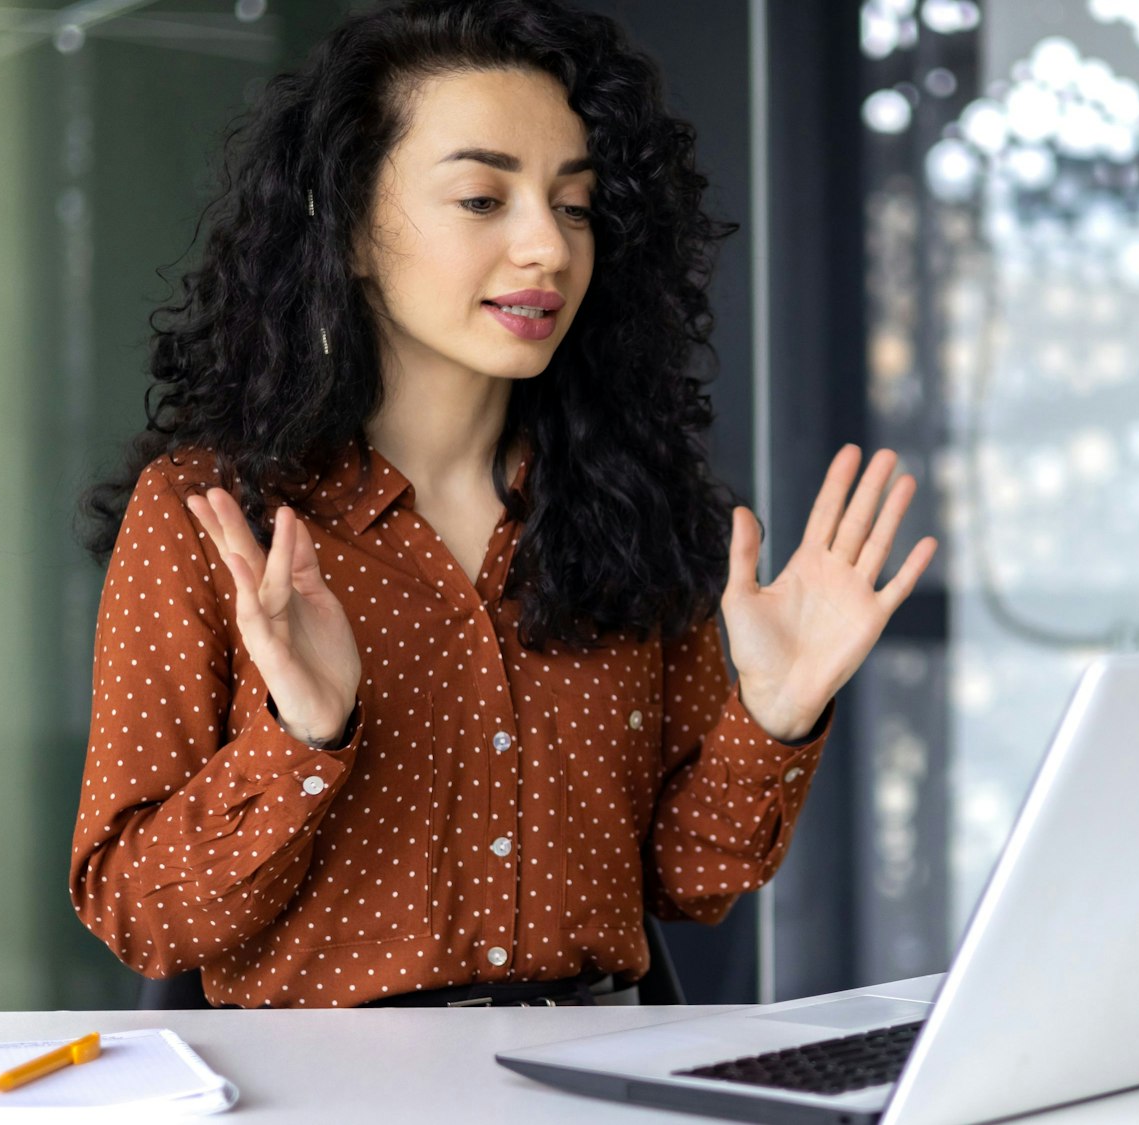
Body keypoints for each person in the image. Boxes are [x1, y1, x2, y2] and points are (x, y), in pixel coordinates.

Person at [67, 0, 934, 1010]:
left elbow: (683, 883)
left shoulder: (631, 507)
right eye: (483, 199)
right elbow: (137, 913)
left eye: (572, 206)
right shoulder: (212, 515)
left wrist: (774, 719)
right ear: (349, 224)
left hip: (598, 1074)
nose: (547, 250)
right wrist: (300, 738)